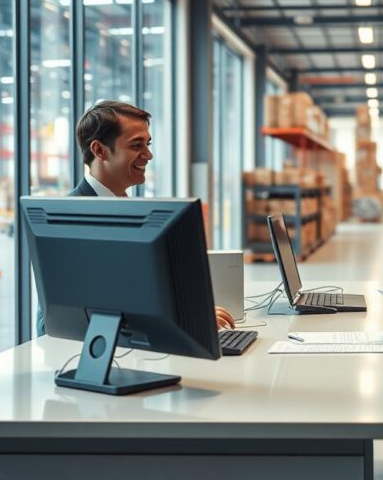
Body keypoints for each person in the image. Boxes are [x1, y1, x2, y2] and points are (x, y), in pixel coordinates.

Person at [35, 100, 235, 335]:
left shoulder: (132, 212)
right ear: (99, 150)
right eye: (136, 145)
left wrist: (188, 315)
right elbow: (51, 324)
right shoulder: (66, 221)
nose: (148, 155)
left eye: (148, 144)